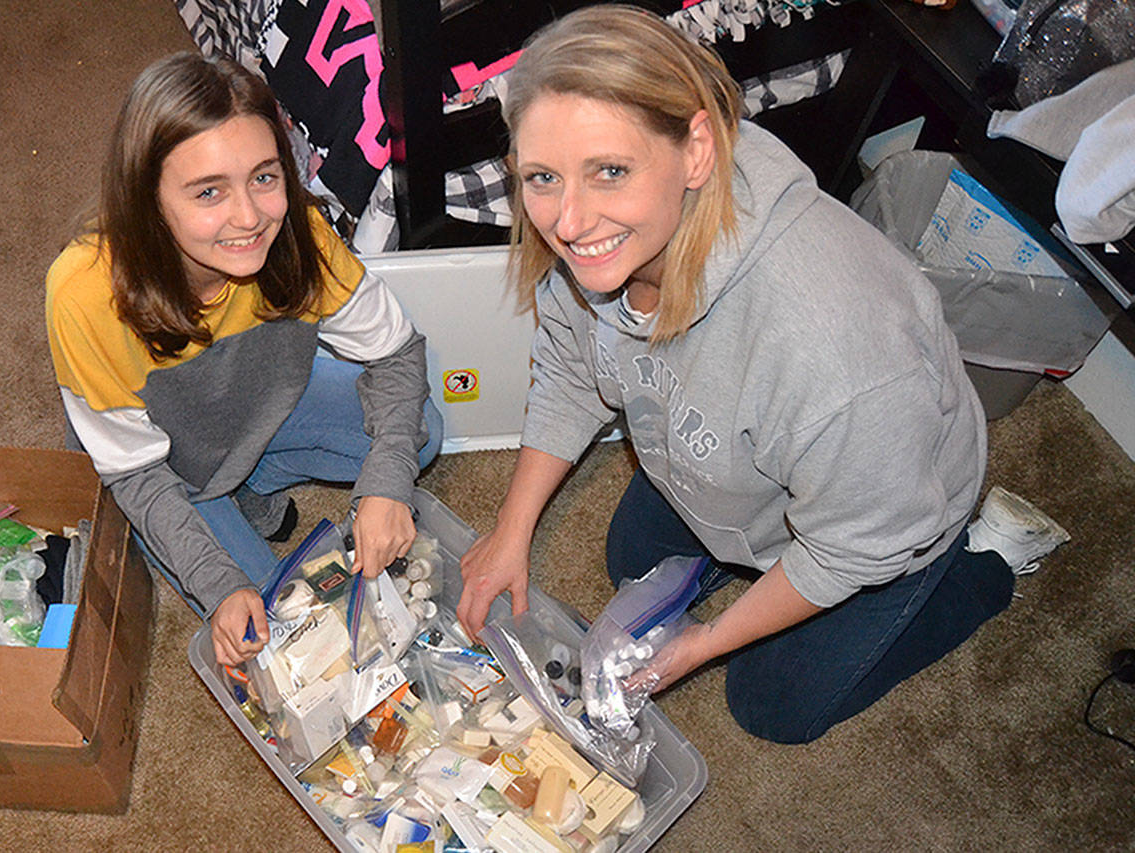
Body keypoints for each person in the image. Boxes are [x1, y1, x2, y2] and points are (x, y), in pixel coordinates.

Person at [456, 5, 1070, 744]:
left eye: (609, 171)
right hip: (742, 461)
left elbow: (852, 544)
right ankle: (735, 546)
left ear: (696, 151)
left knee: (772, 706)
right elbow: (571, 364)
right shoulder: (606, 245)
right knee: (631, 561)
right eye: (543, 178)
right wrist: (511, 528)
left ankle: (984, 567)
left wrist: (709, 642)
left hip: (886, 510)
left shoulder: (835, 350)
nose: (570, 220)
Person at [46, 52, 442, 668]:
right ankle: (228, 499)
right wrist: (219, 584)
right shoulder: (83, 294)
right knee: (281, 630)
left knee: (419, 437)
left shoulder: (299, 235)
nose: (250, 217)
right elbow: (135, 475)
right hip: (168, 467)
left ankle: (248, 482)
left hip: (258, 409)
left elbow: (395, 349)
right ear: (147, 199)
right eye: (209, 191)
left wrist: (388, 482)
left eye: (264, 177)